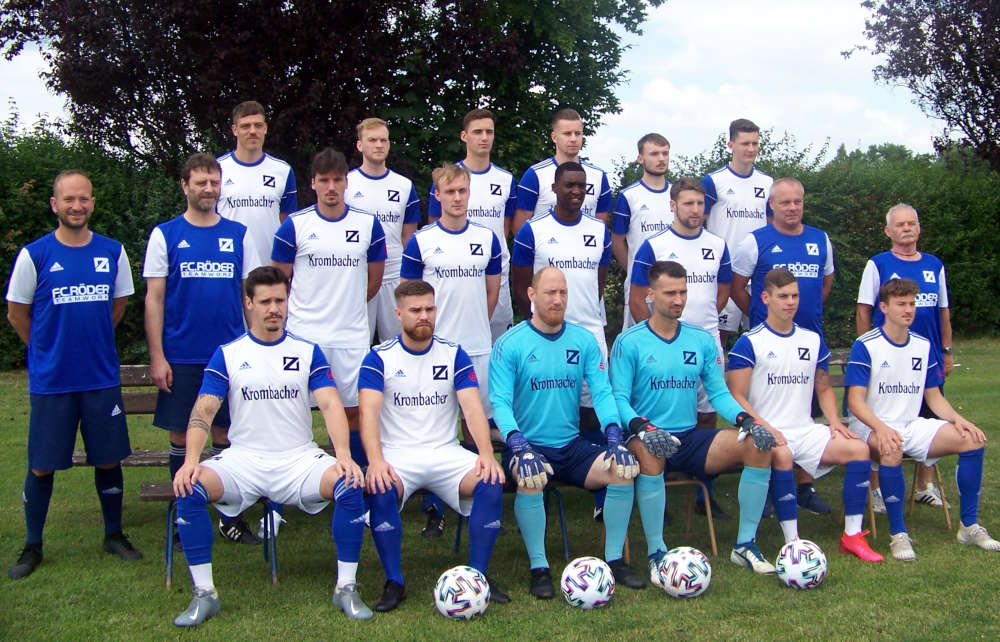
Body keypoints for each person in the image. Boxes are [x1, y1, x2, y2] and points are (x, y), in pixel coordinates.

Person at [170, 266, 369, 626]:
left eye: (280, 300)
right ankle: (205, 594)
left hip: (298, 459)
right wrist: (191, 460)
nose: (273, 308)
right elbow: (205, 409)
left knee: (351, 483)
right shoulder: (228, 354)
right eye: (265, 301)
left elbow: (329, 404)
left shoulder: (308, 351)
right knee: (190, 487)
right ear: (248, 303)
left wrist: (343, 457)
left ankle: (347, 587)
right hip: (243, 461)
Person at [6, 169, 141, 580]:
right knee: (42, 464)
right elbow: (17, 313)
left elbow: (117, 306)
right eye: (69, 200)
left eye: (84, 199)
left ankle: (114, 534)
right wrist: (46, 350)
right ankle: (33, 544)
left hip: (100, 377)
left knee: (108, 459)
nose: (77, 206)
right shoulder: (35, 255)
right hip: (54, 382)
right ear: (55, 205)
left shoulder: (112, 252)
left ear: (92, 203)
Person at [611, 260, 782, 581]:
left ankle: (745, 544)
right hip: (644, 436)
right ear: (651, 295)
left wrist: (745, 419)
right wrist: (642, 428)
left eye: (683, 292)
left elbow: (718, 394)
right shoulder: (629, 341)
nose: (678, 299)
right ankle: (656, 553)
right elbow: (618, 398)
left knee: (757, 447)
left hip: (688, 438)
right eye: (670, 293)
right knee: (650, 452)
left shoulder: (700, 339)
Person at [490, 267, 643, 597]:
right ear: (531, 296)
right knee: (531, 477)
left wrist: (614, 435)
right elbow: (499, 402)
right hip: (527, 446)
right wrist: (517, 443)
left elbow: (602, 393)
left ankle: (615, 560)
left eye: (563, 293)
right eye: (550, 293)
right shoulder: (510, 344)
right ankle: (539, 567)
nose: (558, 300)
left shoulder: (583, 340)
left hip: (571, 446)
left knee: (622, 470)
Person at [359, 280, 509, 611]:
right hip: (398, 455)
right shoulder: (378, 357)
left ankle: (478, 579)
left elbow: (472, 408)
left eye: (429, 309)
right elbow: (367, 415)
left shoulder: (454, 353)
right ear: (398, 314)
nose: (423, 316)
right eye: (415, 310)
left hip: (445, 452)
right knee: (380, 485)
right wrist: (376, 460)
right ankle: (395, 582)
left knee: (491, 479)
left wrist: (486, 454)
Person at [143, 153, 261, 546]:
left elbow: (253, 298)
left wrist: (258, 350)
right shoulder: (165, 235)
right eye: (200, 182)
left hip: (230, 356)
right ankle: (185, 516)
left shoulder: (239, 234)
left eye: (214, 182)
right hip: (182, 355)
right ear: (185, 186)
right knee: (181, 437)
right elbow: (155, 299)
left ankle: (231, 517)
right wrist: (158, 356)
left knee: (228, 437)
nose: (208, 189)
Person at [727, 268, 882, 562]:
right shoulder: (750, 342)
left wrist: (835, 422)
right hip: (765, 431)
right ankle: (793, 543)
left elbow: (823, 388)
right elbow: (736, 395)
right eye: (783, 296)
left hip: (805, 429)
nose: (790, 302)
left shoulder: (811, 340)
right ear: (765, 298)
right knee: (783, 455)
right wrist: (763, 427)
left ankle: (852, 535)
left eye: (795, 295)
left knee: (859, 449)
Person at [846, 278, 999, 560]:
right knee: (891, 447)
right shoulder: (865, 345)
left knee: (972, 441)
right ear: (884, 307)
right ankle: (899, 535)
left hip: (911, 423)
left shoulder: (923, 345)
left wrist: (958, 419)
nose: (908, 309)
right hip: (870, 426)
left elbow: (934, 397)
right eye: (901, 304)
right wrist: (881, 428)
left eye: (912, 303)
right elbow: (855, 402)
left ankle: (969, 526)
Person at [272, 147, 386, 497]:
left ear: (346, 182)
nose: (332, 187)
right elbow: (280, 283)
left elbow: (374, 281)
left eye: (338, 179)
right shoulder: (295, 226)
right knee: (294, 416)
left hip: (351, 335)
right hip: (304, 337)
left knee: (354, 415)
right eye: (325, 180)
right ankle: (283, 497)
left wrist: (348, 306)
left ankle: (358, 492)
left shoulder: (368, 225)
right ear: (313, 184)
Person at [401, 164, 502, 536]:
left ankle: (478, 502)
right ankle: (433, 508)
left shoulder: (487, 239)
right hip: (432, 352)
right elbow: (410, 298)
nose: (457, 198)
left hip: (476, 347)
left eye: (463, 191)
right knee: (434, 428)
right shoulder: (421, 242)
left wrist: (474, 326)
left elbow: (492, 292)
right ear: (438, 196)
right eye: (450, 192)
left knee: (478, 428)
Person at [628, 178, 733, 518]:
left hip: (706, 341)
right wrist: (659, 337)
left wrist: (699, 330)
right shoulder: (653, 245)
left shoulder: (717, 244)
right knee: (658, 411)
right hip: (663, 344)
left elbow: (723, 292)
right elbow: (637, 297)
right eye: (688, 203)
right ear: (672, 205)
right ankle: (658, 484)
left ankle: (703, 491)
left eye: (700, 204)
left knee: (706, 414)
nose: (696, 210)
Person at [731, 176, 835, 514]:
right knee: (770, 413)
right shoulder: (755, 241)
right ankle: (770, 491)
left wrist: (803, 316)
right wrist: (760, 317)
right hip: (768, 347)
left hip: (808, 342)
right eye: (784, 202)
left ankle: (803, 487)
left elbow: (826, 281)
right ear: (771, 205)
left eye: (797, 202)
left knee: (804, 415)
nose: (792, 208)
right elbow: (736, 286)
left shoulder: (820, 239)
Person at [856, 203, 952, 511]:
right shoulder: (878, 263)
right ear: (888, 231)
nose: (906, 228)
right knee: (880, 418)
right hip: (885, 357)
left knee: (928, 417)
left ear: (919, 228)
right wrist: (865, 348)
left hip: (925, 356)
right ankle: (875, 490)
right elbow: (863, 309)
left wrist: (946, 350)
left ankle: (924, 485)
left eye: (912, 223)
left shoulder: (934, 264)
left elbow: (943, 310)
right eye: (900, 225)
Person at [427, 108, 516, 341]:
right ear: (464, 136)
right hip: (454, 271)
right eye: (477, 132)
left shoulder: (505, 180)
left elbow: (504, 228)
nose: (484, 137)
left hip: (496, 273)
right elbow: (434, 228)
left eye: (489, 131)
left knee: (497, 344)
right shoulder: (447, 179)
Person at [345, 117, 421, 343]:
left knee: (398, 344)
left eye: (383, 140)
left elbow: (409, 236)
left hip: (394, 276)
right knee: (357, 343)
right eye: (372, 140)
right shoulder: (347, 184)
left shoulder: (404, 185)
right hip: (358, 275)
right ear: (360, 145)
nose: (379, 145)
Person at [701, 118, 773, 346]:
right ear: (731, 145)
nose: (751, 149)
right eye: (745, 143)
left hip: (758, 274)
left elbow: (772, 228)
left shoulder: (768, 182)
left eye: (755, 143)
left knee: (764, 338)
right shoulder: (714, 181)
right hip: (725, 274)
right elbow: (699, 224)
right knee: (717, 340)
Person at [217, 101, 298, 267]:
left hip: (269, 269)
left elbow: (288, 225)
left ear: (265, 128)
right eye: (245, 126)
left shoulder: (282, 170)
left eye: (258, 125)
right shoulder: (217, 170)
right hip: (228, 265)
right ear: (235, 130)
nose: (252, 131)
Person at [513, 108, 612, 233]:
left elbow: (601, 230)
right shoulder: (535, 174)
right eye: (567, 133)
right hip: (545, 250)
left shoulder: (598, 176)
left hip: (586, 250)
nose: (573, 139)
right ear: (554, 137)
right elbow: (519, 229)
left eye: (578, 133)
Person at [611, 133, 673, 330]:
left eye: (665, 153)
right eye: (654, 153)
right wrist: (634, 270)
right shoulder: (629, 196)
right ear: (641, 158)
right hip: (641, 285)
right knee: (640, 337)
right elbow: (617, 240)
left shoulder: (678, 194)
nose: (661, 159)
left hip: (674, 282)